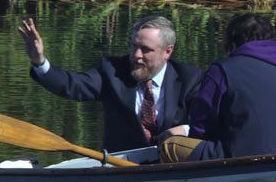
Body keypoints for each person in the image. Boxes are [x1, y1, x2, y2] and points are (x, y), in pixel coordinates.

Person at [19, 15, 202, 153]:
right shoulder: (112, 72)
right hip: (120, 166)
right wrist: (39, 62)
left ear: (167, 52)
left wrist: (185, 130)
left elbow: (209, 120)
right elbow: (72, 85)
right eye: (134, 46)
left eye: (146, 50)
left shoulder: (189, 79)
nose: (136, 55)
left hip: (171, 164)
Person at [161, 13, 276, 162]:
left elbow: (201, 128)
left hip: (248, 161)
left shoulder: (222, 70)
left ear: (232, 42)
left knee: (171, 145)